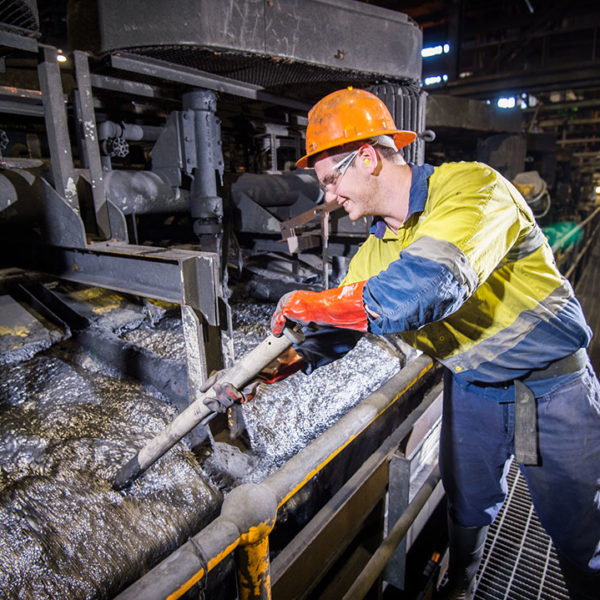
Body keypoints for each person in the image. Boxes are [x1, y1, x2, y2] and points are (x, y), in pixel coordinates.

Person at [206, 87, 600, 600]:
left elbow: (432, 283)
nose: (327, 197)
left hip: (552, 387)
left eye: (330, 180)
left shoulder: (471, 188)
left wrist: (318, 302)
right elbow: (330, 336)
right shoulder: (374, 253)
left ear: (367, 157)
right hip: (475, 387)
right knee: (468, 501)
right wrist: (260, 374)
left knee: (580, 530)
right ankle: (461, 583)